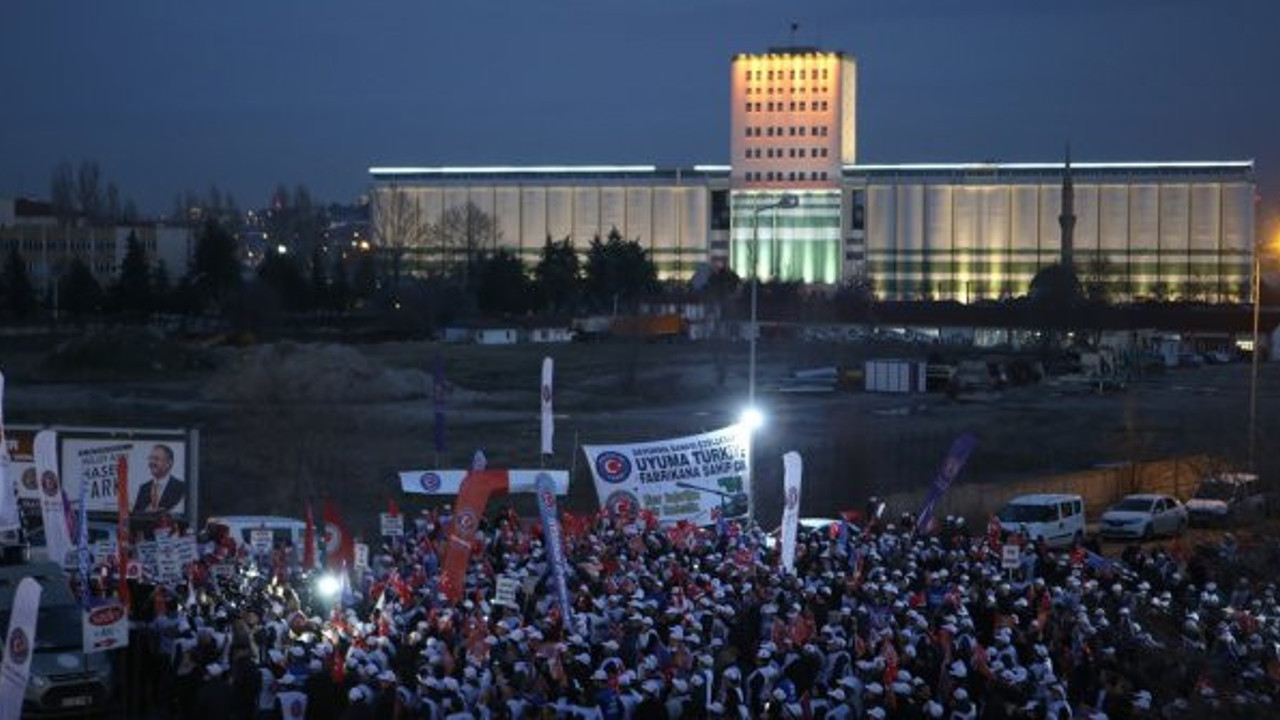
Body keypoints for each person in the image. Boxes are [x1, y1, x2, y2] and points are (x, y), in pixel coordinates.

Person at [133, 443, 187, 514]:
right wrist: (145, 513)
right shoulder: (144, 488)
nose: (152, 462)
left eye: (156, 459)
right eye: (150, 458)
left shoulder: (181, 487)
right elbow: (135, 516)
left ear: (168, 463)